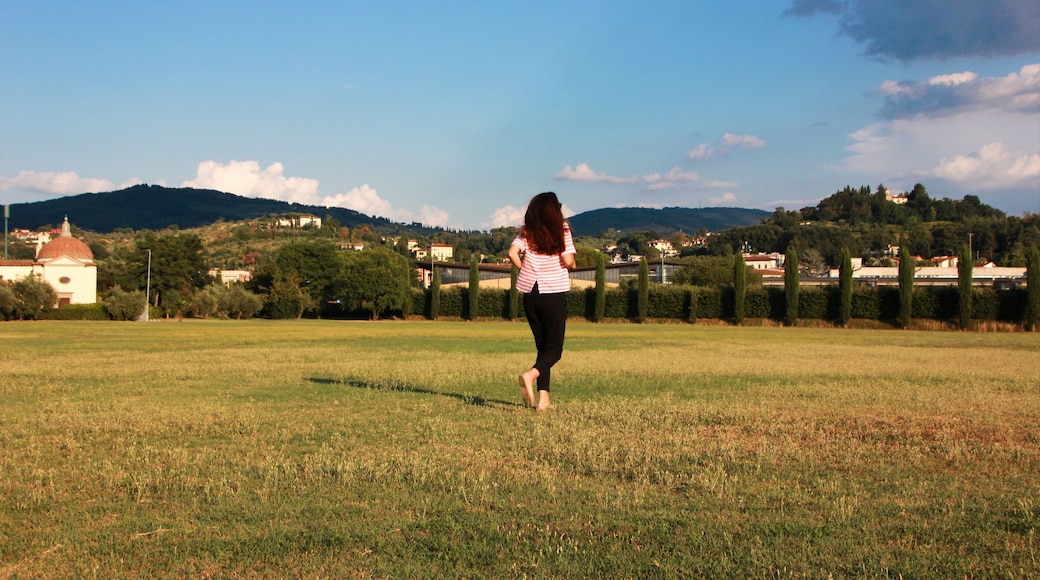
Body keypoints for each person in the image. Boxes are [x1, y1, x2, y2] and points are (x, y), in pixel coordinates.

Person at [508, 192, 576, 410]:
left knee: (542, 347)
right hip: (553, 292)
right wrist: (572, 265)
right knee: (554, 349)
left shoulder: (527, 232)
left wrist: (525, 270)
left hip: (530, 293)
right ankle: (530, 375)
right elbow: (568, 260)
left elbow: (512, 253)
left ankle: (544, 399)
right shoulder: (562, 229)